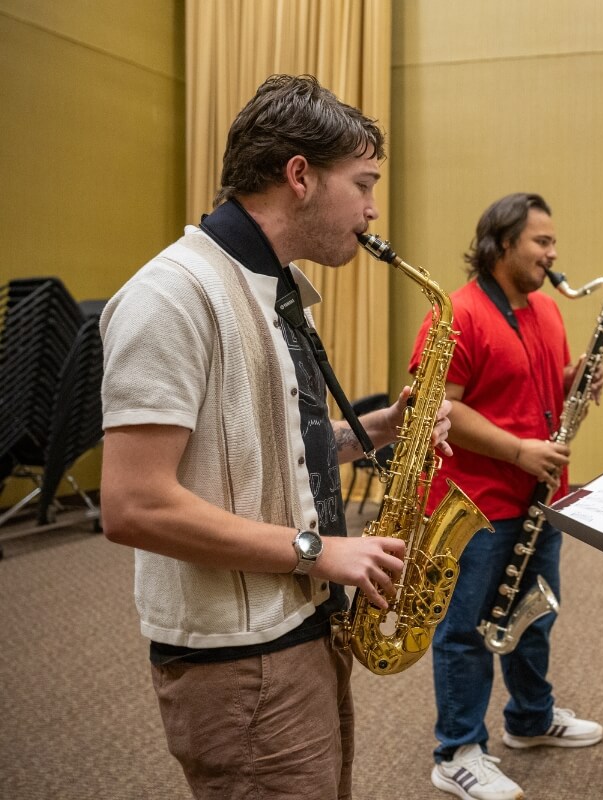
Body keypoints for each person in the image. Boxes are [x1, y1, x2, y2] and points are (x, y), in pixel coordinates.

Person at [99, 74, 452, 799]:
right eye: (363, 183)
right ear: (300, 176)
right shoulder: (171, 296)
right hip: (241, 658)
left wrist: (381, 431)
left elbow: (261, 449)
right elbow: (133, 506)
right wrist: (321, 551)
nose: (373, 207)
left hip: (300, 628)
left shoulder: (275, 286)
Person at [413, 193, 603, 800]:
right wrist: (519, 450)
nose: (553, 253)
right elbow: (438, 407)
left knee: (533, 614)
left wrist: (575, 380)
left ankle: (530, 718)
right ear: (501, 245)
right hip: (476, 500)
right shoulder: (458, 314)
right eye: (541, 242)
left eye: (552, 242)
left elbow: (533, 386)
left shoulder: (547, 310)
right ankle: (458, 750)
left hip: (539, 496)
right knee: (466, 628)